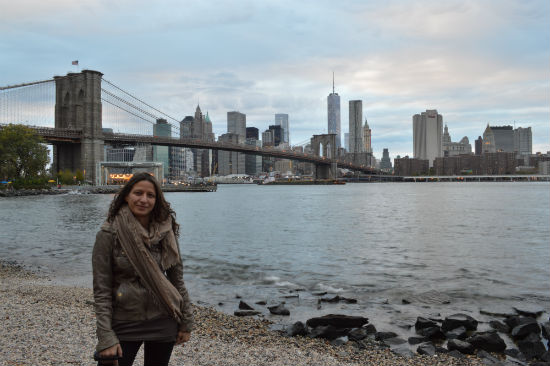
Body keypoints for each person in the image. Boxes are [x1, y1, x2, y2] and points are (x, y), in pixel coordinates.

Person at [92, 172, 193, 366]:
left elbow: (177, 281)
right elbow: (101, 290)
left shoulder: (166, 231)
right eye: (138, 193)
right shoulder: (109, 233)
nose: (143, 200)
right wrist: (105, 336)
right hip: (124, 320)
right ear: (126, 196)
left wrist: (186, 321)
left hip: (164, 318)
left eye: (150, 195)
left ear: (157, 200)